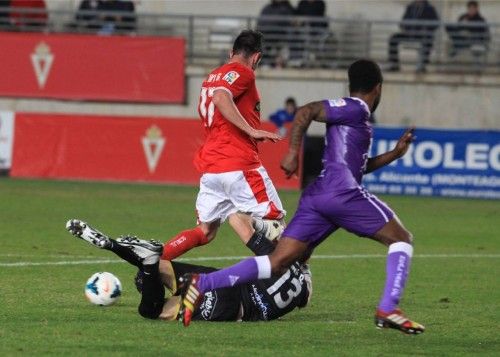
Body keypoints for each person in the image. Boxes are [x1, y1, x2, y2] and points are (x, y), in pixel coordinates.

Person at [179, 59, 425, 335]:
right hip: (342, 193)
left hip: (318, 198)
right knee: (401, 239)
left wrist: (395, 153)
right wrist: (293, 151)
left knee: (277, 262)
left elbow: (359, 167)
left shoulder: (354, 118)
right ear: (378, 88)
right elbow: (307, 111)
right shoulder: (356, 107)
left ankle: (202, 284)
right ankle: (389, 308)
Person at [160, 30, 285, 264]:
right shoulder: (243, 72)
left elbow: (216, 96)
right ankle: (280, 280)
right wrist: (251, 130)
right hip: (239, 163)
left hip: (213, 167)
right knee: (275, 224)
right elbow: (221, 97)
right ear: (256, 57)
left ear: (231, 53)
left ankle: (154, 265)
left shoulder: (213, 76)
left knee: (205, 231)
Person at [66, 219, 312, 322]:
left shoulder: (274, 256)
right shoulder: (303, 287)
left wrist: (259, 222)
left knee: (149, 290)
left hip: (222, 285)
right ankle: (138, 256)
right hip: (228, 306)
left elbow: (239, 222)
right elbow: (304, 297)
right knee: (149, 298)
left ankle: (113, 245)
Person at [387, 0, 439, 72]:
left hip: (422, 34)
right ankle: (394, 64)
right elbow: (403, 21)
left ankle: (422, 66)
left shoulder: (430, 8)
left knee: (428, 40)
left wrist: (426, 30)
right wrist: (404, 27)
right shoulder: (410, 7)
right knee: (394, 38)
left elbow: (436, 23)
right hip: (409, 33)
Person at [257, 0, 295, 67]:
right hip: (267, 34)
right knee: (262, 42)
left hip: (280, 34)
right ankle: (266, 62)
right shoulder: (267, 8)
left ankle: (272, 62)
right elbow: (261, 22)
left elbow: (288, 23)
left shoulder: (287, 9)